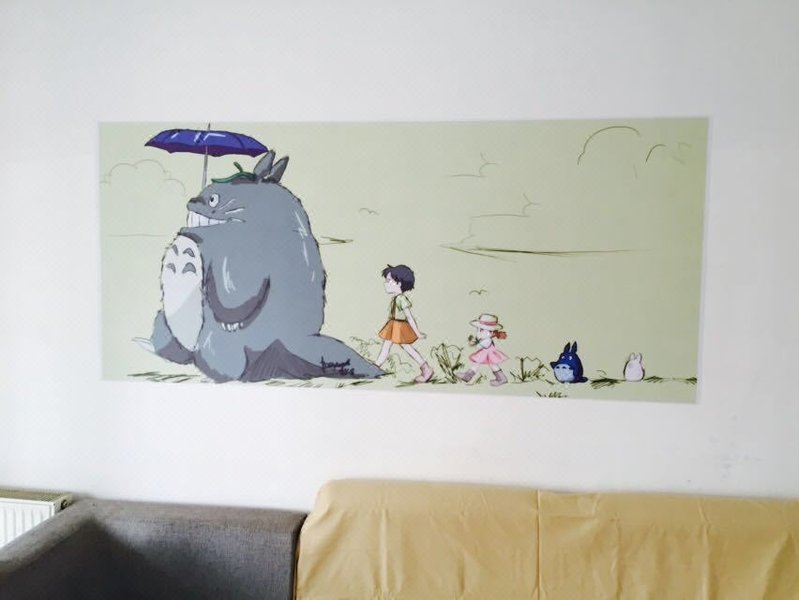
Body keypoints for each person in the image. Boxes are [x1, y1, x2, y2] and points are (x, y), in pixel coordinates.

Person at [375, 264, 433, 383]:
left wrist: (417, 333)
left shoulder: (401, 299)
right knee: (389, 345)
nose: (385, 283)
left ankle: (426, 368)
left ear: (399, 283)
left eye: (389, 280)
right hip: (394, 325)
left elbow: (409, 317)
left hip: (399, 326)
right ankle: (376, 366)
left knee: (404, 347)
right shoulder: (396, 298)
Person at [457, 313, 509, 386]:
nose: (479, 331)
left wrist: (475, 344)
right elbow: (479, 338)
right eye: (479, 329)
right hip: (485, 353)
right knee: (478, 363)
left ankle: (502, 378)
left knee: (492, 365)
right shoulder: (485, 335)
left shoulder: (487, 339)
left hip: (488, 353)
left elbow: (482, 345)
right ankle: (467, 376)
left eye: (481, 329)